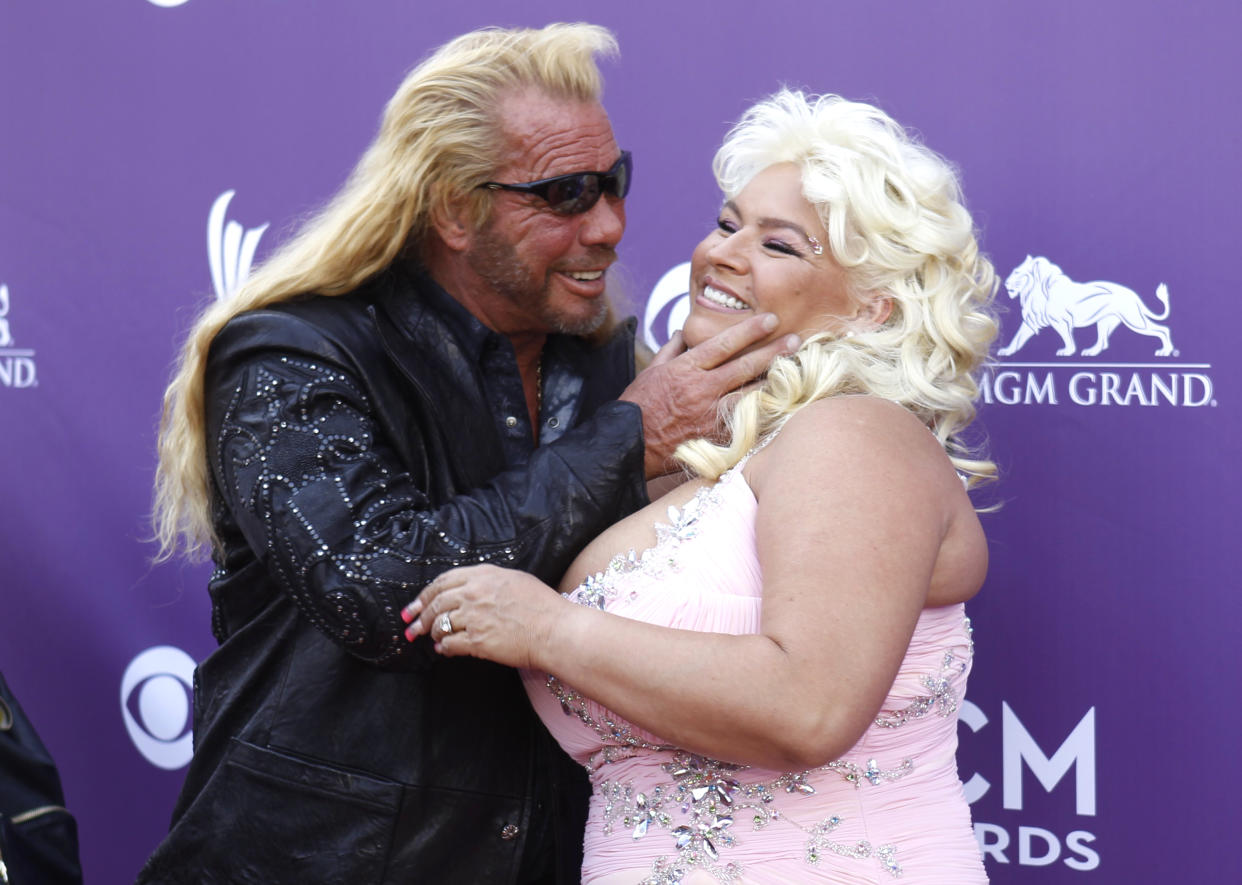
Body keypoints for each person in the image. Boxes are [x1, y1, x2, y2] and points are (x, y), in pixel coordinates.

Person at [139, 24, 793, 885]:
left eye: (615, 181)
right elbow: (383, 589)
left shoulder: (609, 371)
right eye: (566, 193)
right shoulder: (289, 356)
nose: (610, 224)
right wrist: (631, 439)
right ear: (451, 206)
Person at [404, 89, 999, 884]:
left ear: (870, 307)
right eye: (727, 224)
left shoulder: (857, 436)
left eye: (780, 246)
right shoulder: (700, 464)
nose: (723, 253)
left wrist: (547, 628)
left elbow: (808, 706)